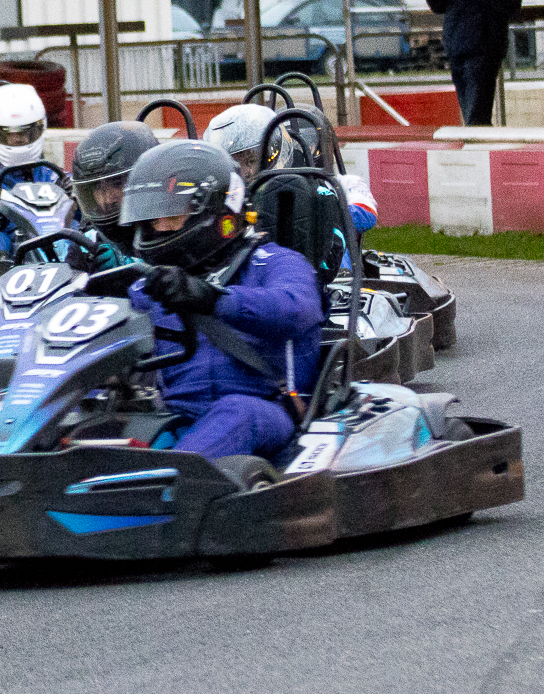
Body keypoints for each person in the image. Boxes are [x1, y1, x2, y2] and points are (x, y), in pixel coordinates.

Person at [119, 141, 323, 463]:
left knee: (236, 411)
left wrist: (211, 299)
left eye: (171, 215)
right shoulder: (150, 287)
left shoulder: (275, 262)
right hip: (175, 418)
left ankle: (169, 483)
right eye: (155, 219)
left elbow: (296, 309)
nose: (160, 228)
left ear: (218, 213)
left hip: (266, 409)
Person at [202, 103, 378, 233]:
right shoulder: (245, 192)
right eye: (295, 143)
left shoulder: (344, 182)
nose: (303, 149)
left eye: (309, 144)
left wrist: (319, 214)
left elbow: (365, 214)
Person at [0, 83, 66, 262]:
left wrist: (78, 200)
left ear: (38, 129)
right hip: (13, 258)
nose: (18, 139)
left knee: (75, 228)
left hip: (58, 247)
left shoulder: (56, 177)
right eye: (9, 134)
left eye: (24, 131)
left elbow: (91, 217)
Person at [66, 119, 159, 270]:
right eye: (97, 188)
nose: (107, 198)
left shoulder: (168, 226)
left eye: (116, 184)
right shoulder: (87, 242)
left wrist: (141, 269)